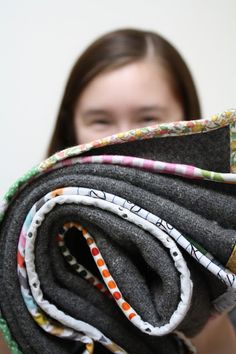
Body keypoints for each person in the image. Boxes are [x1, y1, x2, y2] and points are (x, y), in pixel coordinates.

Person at [1, 28, 235, 354]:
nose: (122, 139)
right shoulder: (18, 244)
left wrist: (201, 317)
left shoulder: (219, 259)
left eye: (148, 118)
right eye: (100, 120)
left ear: (186, 125)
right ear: (72, 128)